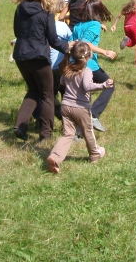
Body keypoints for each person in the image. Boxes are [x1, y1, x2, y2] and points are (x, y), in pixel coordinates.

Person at [11, 0, 70, 141]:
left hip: (21, 55)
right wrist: (68, 50)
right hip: (38, 56)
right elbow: (53, 40)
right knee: (47, 95)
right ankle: (45, 134)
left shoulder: (20, 8)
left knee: (34, 90)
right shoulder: (46, 10)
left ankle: (20, 126)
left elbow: (16, 32)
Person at [46, 43, 113, 173]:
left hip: (66, 106)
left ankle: (55, 157)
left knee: (67, 134)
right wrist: (103, 85)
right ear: (88, 56)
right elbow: (87, 86)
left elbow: (62, 82)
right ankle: (95, 154)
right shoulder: (87, 71)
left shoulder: (67, 69)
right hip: (81, 108)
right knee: (88, 131)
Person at [71, 0, 117, 133]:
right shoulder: (94, 24)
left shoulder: (78, 25)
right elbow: (85, 43)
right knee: (110, 85)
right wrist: (105, 52)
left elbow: (72, 44)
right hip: (89, 65)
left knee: (85, 97)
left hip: (75, 63)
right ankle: (94, 114)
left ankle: (78, 133)